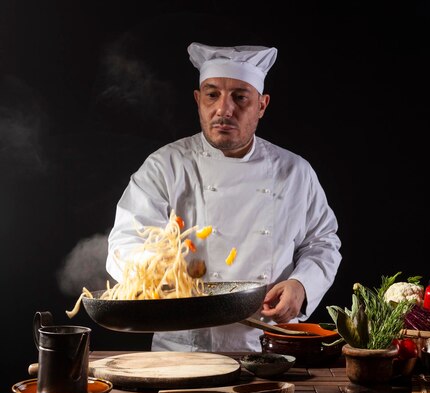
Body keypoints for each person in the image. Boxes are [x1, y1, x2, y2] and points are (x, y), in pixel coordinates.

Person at [105, 43, 342, 352]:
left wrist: (302, 285)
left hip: (271, 347)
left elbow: (323, 241)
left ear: (261, 105)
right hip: (184, 349)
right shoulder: (165, 166)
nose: (224, 110)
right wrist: (154, 269)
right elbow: (125, 242)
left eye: (240, 97)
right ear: (198, 100)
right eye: (212, 94)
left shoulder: (295, 171)